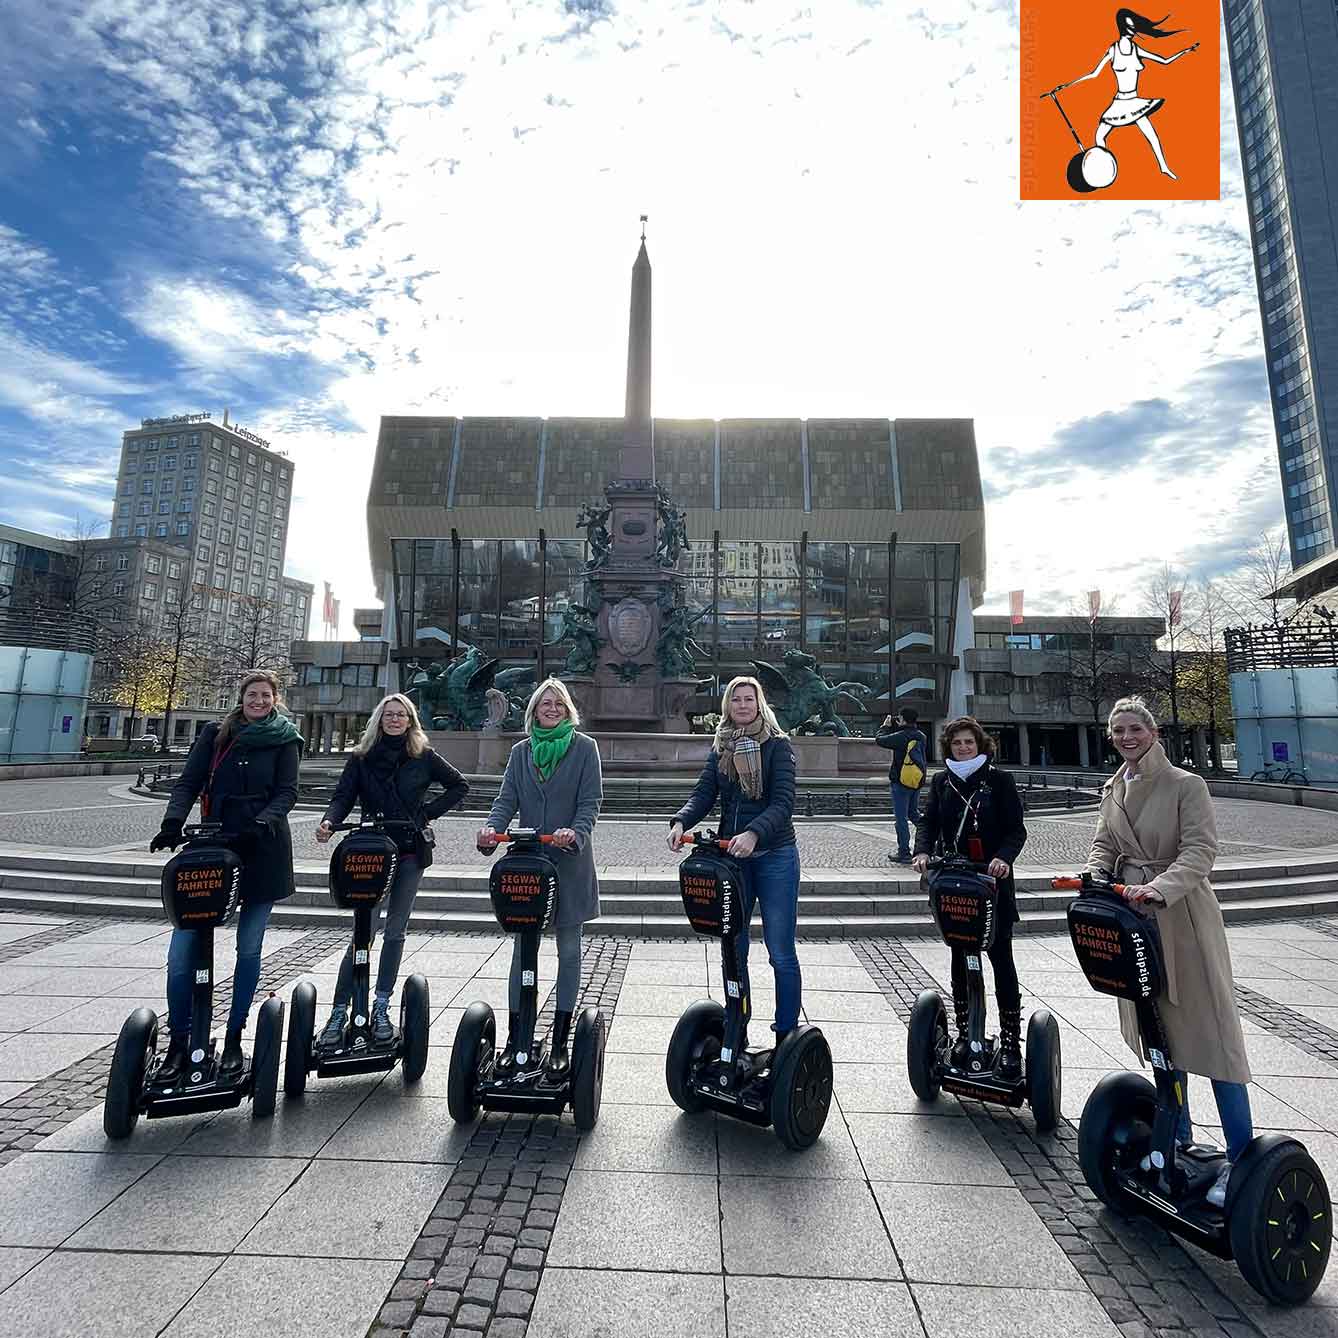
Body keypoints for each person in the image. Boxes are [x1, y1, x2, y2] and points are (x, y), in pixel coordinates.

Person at [1085, 695, 1251, 1208]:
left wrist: (1160, 887)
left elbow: (1201, 851)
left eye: (1135, 729)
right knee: (1163, 1036)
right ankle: (1175, 1137)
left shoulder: (1186, 785)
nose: (1127, 738)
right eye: (1118, 731)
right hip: (1133, 919)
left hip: (1182, 921)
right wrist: (1095, 876)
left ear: (1153, 733)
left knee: (1213, 1039)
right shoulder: (1114, 787)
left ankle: (1242, 1157)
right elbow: (1104, 845)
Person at [150, 670, 303, 1081]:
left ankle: (234, 1035)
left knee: (248, 949)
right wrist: (171, 822)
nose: (258, 701)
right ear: (242, 696)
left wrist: (262, 821)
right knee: (181, 954)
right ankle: (180, 1040)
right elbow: (189, 782)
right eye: (252, 694)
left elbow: (288, 791)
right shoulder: (216, 734)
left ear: (276, 699)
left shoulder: (286, 738)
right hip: (213, 847)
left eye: (265, 695)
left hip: (262, 848)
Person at [315, 693, 469, 1045]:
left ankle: (381, 1005)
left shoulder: (423, 756)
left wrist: (426, 814)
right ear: (379, 720)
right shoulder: (361, 757)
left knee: (395, 932)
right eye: (389, 715)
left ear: (411, 721)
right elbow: (343, 796)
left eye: (402, 715)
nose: (395, 720)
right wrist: (328, 821)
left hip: (409, 852)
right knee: (362, 933)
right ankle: (340, 1010)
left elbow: (459, 785)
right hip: (370, 853)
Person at [477, 678, 603, 1076]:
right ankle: (518, 1036)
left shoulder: (585, 749)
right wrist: (490, 832)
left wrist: (575, 834)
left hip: (569, 864)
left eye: (559, 705)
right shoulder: (521, 752)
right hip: (529, 868)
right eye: (545, 704)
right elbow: (506, 800)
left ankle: (562, 1039)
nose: (552, 709)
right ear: (534, 711)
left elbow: (590, 802)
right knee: (522, 954)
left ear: (568, 711)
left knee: (569, 952)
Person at [668, 675, 801, 1047]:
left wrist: (754, 833)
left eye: (749, 699)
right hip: (733, 861)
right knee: (734, 947)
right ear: (728, 706)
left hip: (775, 857)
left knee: (780, 952)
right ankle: (736, 1028)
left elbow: (783, 803)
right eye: (736, 699)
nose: (743, 705)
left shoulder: (778, 746)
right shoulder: (721, 747)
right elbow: (704, 793)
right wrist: (681, 821)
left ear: (760, 704)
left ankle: (787, 1037)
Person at [912, 716, 1028, 1080]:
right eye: (957, 743)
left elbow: (1016, 830)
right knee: (960, 958)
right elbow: (928, 822)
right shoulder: (943, 780)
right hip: (955, 881)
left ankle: (1010, 1042)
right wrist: (923, 852)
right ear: (949, 747)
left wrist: (1002, 859)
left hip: (991, 883)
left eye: (969, 743)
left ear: (980, 745)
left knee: (1000, 959)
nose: (963, 748)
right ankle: (965, 1034)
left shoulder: (999, 780)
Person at [1048, 8, 1199, 179]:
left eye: (1134, 27)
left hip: (1134, 101)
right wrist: (1065, 85)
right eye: (1129, 27)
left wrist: (1185, 51)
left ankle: (1164, 167)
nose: (1133, 30)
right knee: (1099, 136)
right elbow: (1094, 73)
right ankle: (1101, 171)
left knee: (1151, 134)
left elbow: (1164, 61)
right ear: (1122, 27)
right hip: (1119, 102)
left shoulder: (1137, 49)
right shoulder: (1113, 50)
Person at [877, 707, 928, 865]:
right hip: (916, 780)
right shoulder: (921, 736)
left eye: (899, 718)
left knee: (901, 818)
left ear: (903, 719)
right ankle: (931, 836)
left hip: (901, 782)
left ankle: (904, 852)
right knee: (913, 813)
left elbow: (880, 740)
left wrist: (885, 726)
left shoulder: (902, 736)